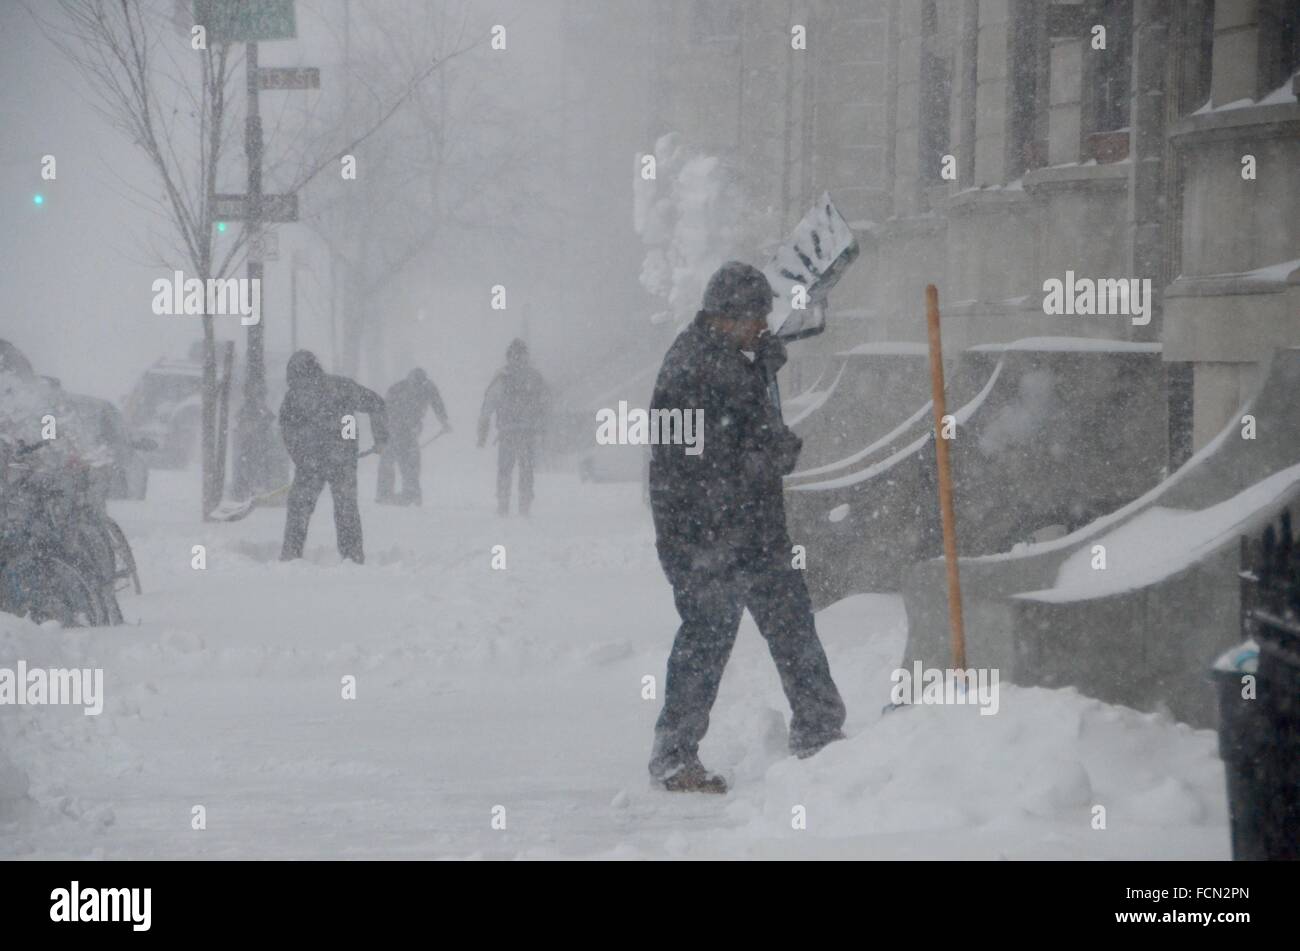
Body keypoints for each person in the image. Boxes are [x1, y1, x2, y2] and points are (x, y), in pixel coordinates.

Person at [646, 261, 847, 794]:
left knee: (793, 626)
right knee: (705, 642)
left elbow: (741, 418)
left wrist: (762, 367)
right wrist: (766, 457)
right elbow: (687, 463)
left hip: (754, 532)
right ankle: (673, 756)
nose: (764, 324)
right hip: (704, 537)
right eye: (756, 316)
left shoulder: (732, 357)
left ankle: (820, 731)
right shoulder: (687, 369)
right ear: (725, 316)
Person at [278, 350, 388, 563]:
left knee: (300, 506)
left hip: (314, 462)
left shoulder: (295, 395)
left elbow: (287, 430)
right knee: (345, 508)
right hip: (341, 459)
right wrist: (380, 439)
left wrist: (300, 457)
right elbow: (376, 404)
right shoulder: (342, 387)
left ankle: (291, 555)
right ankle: (352, 556)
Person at [477, 339, 547, 516]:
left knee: (505, 471)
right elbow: (545, 405)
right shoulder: (535, 377)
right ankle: (524, 506)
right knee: (526, 471)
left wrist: (482, 434)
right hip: (527, 432)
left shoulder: (502, 378)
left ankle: (503, 505)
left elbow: (487, 407)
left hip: (508, 432)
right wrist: (544, 430)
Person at [377, 368, 450, 505]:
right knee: (390, 458)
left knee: (410, 460)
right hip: (394, 426)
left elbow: (437, 403)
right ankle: (386, 493)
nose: (417, 387)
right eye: (415, 384)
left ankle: (410, 493)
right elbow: (385, 410)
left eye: (420, 384)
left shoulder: (428, 388)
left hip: (412, 428)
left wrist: (444, 421)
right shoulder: (397, 389)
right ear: (409, 380)